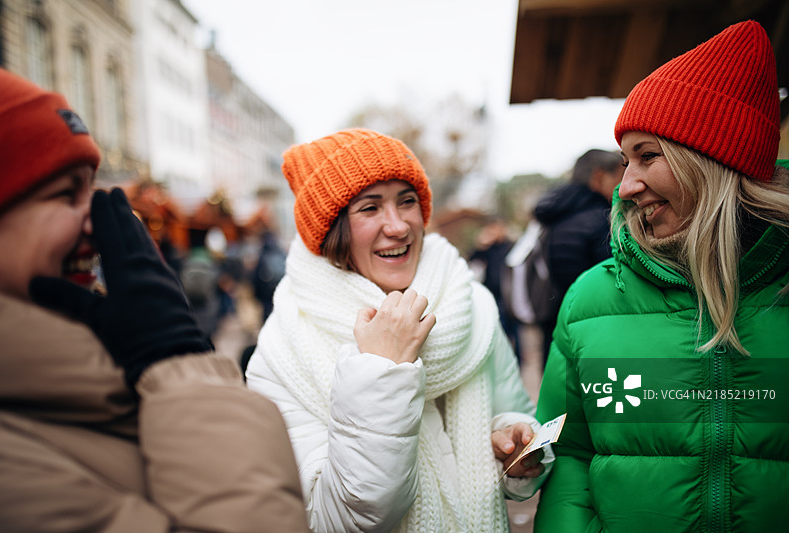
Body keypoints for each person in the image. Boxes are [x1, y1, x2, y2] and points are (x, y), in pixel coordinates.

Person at [0, 65, 309, 532]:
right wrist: (179, 361)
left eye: (92, 189)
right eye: (65, 194)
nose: (97, 222)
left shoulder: (82, 382)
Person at [535, 21, 789, 532]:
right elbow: (570, 458)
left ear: (714, 160)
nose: (626, 185)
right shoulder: (592, 299)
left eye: (648, 156)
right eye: (626, 159)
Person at [245, 128, 552, 532]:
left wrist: (512, 446)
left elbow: (512, 412)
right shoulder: (284, 349)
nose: (399, 226)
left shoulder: (471, 305)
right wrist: (380, 369)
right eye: (370, 208)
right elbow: (335, 519)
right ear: (329, 230)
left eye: (407, 201)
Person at [531, 149, 623, 365]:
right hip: (593, 327)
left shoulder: (554, 216)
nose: (624, 186)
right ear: (599, 176)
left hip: (555, 320)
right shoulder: (602, 219)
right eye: (619, 178)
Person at [469, 217, 520, 360]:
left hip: (510, 295)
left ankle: (518, 362)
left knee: (516, 333)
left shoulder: (511, 246)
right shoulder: (487, 249)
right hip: (494, 295)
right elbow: (473, 260)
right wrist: (479, 245)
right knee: (500, 332)